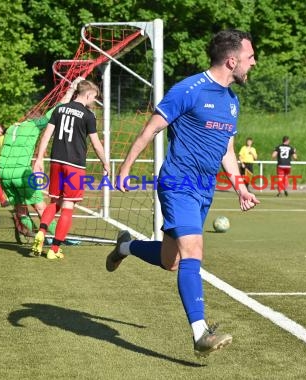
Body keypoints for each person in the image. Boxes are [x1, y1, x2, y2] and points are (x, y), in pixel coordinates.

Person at [106, 29, 259, 357]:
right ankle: (200, 333)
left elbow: (227, 149)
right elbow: (151, 128)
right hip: (178, 182)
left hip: (204, 189)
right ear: (231, 61)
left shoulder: (232, 101)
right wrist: (125, 167)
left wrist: (241, 188)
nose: (253, 63)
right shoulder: (188, 89)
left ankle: (126, 246)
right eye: (249, 57)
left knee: (171, 261)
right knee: (194, 250)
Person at [31, 79, 110, 260]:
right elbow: (96, 144)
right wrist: (105, 162)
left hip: (56, 161)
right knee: (68, 206)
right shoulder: (88, 115)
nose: (93, 102)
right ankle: (55, 249)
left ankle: (42, 232)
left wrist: (39, 158)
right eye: (94, 98)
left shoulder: (59, 109)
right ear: (89, 94)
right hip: (74, 165)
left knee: (54, 202)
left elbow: (46, 135)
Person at [0, 82, 80, 239]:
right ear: (36, 117)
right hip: (20, 171)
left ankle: (31, 234)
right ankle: (59, 237)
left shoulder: (11, 128)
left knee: (20, 207)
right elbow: (56, 110)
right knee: (40, 207)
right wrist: (71, 89)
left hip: (2, 172)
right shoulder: (34, 126)